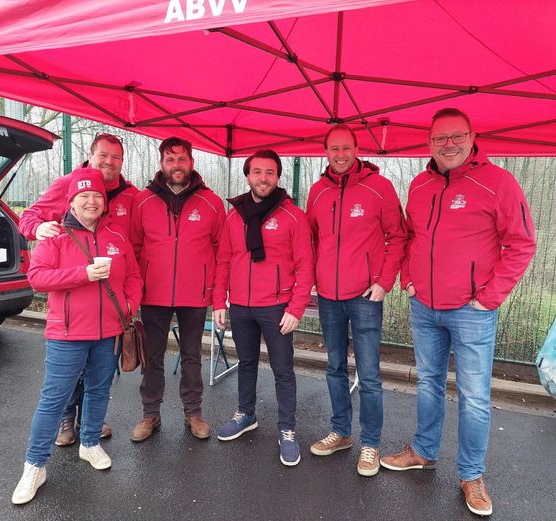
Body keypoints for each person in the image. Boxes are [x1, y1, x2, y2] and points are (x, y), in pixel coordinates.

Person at [379, 108, 536, 517]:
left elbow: (521, 244)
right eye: (439, 138)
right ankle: (425, 451)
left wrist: (489, 298)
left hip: (472, 312)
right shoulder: (419, 184)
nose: (448, 144)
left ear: (472, 136)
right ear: (429, 143)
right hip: (424, 306)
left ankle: (470, 474)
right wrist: (409, 280)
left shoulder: (498, 183)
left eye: (456, 136)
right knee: (428, 383)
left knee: (473, 398)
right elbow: (410, 236)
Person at [12, 167, 142, 505]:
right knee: (55, 399)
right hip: (67, 333)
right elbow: (37, 278)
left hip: (108, 332)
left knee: (99, 391)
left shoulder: (116, 236)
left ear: (104, 201)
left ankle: (89, 443)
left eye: (97, 195)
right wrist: (82, 274)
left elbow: (134, 275)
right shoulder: (54, 235)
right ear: (71, 200)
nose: (92, 201)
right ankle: (34, 465)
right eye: (84, 195)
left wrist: (129, 304)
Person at [19, 132, 139, 446]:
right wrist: (38, 228)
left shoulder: (129, 194)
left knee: (99, 375)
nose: (109, 162)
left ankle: (90, 424)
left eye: (116, 157)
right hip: (74, 301)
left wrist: (128, 302)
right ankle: (65, 422)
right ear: (91, 154)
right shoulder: (67, 185)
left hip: (110, 304)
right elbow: (28, 217)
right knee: (69, 372)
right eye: (104, 155)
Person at [306, 124, 407, 477]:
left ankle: (371, 443)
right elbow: (312, 240)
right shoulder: (317, 192)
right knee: (334, 367)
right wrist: (316, 280)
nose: (340, 154)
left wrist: (384, 282)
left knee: (369, 375)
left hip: (366, 296)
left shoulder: (380, 188)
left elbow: (398, 237)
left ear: (356, 148)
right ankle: (342, 432)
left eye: (346, 147)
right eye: (333, 149)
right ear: (326, 152)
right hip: (329, 298)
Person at [213, 149, 314, 466]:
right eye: (257, 172)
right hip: (241, 306)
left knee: (283, 371)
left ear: (278, 177)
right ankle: (246, 414)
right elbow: (224, 261)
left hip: (277, 308)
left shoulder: (293, 216)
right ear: (248, 176)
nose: (263, 178)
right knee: (246, 363)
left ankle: (287, 430)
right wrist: (219, 301)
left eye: (270, 172)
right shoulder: (234, 216)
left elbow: (306, 266)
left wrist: (296, 308)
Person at [129, 137, 225, 441]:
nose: (176, 165)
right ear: (162, 164)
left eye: (182, 159)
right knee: (153, 356)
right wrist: (135, 291)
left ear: (192, 163)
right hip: (153, 293)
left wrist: (216, 291)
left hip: (195, 294)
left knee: (192, 355)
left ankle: (193, 413)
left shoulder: (211, 202)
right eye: (170, 160)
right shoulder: (142, 201)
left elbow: (221, 250)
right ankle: (150, 415)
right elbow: (134, 246)